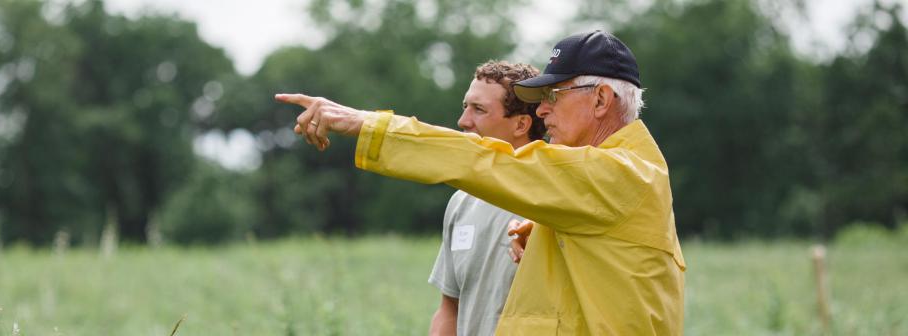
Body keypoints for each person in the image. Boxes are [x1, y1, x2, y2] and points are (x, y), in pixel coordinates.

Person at [276, 30, 686, 335]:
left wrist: (365, 124)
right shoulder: (612, 177)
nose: (542, 110)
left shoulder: (619, 174)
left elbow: (483, 159)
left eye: (555, 95)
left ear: (600, 100)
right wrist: (541, 233)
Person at [428, 61, 544, 336]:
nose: (463, 121)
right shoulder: (461, 201)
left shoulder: (555, 197)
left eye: (478, 110)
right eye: (465, 106)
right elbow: (450, 309)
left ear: (521, 124)